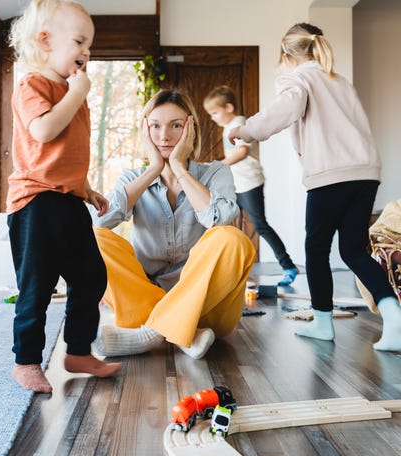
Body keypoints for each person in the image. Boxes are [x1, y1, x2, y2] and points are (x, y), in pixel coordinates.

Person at [229, 22, 401, 351]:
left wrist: (246, 130)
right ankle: (395, 318)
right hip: (365, 173)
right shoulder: (339, 82)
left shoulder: (299, 78)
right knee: (353, 250)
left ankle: (323, 323)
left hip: (331, 175)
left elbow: (283, 111)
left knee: (316, 249)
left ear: (286, 54)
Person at [6, 0, 122, 393]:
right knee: (37, 287)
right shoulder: (33, 84)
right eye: (79, 42)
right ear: (45, 41)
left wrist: (85, 188)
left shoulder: (73, 91)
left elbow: (64, 154)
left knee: (91, 276)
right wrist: (76, 94)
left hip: (68, 200)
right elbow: (43, 132)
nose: (86, 52)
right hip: (35, 203)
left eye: (89, 45)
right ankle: (26, 361)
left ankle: (77, 351)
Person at [90, 89, 255, 359]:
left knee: (233, 239)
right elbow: (101, 221)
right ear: (145, 130)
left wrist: (179, 168)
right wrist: (153, 170)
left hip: (207, 308)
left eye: (176, 126)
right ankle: (184, 333)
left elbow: (220, 220)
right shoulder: (133, 177)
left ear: (191, 130)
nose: (164, 136)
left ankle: (152, 333)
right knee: (94, 239)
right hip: (143, 302)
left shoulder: (216, 172)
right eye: (155, 126)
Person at [204, 86, 298, 286]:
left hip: (249, 183)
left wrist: (215, 167)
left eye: (215, 112)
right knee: (224, 223)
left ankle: (288, 265)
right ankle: (227, 269)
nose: (213, 117)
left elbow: (242, 152)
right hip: (236, 184)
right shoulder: (227, 127)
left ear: (228, 107)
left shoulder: (239, 123)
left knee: (260, 225)